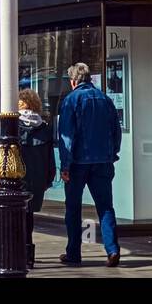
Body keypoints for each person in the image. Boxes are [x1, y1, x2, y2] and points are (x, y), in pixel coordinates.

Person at [57, 62, 122, 267]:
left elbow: (67, 136)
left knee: (73, 208)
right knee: (105, 207)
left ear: (73, 81)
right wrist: (113, 154)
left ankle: (74, 252)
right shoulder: (105, 99)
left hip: (78, 163)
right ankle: (112, 249)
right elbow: (116, 130)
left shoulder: (71, 100)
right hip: (103, 161)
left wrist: (65, 165)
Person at [17, 88, 57, 268]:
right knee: (29, 215)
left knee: (14, 215)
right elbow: (50, 158)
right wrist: (48, 178)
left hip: (18, 177)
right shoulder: (44, 127)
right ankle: (28, 254)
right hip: (37, 178)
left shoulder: (13, 125)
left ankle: (19, 253)